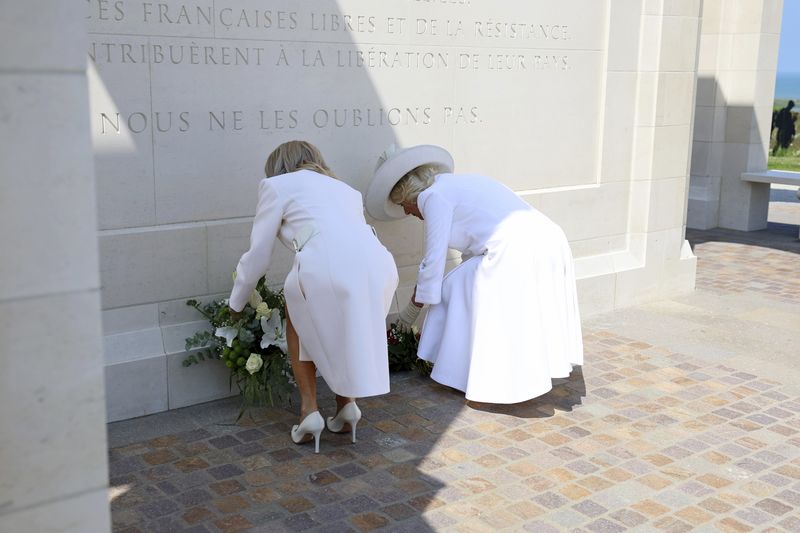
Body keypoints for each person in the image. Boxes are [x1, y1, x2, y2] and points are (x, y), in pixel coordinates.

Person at [366, 145, 583, 404]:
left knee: (450, 288)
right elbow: (476, 244)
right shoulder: (459, 184)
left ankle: (460, 371)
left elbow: (433, 262)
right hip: (550, 239)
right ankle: (487, 369)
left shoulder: (433, 197)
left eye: (404, 206)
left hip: (518, 248)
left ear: (411, 197)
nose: (407, 214)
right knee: (471, 289)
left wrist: (408, 314)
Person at [230, 141, 398, 452]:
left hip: (327, 265)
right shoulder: (345, 189)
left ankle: (309, 410)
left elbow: (258, 256)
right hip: (378, 266)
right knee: (323, 317)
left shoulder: (276, 185)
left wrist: (236, 302)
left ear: (278, 167)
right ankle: (346, 404)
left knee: (297, 313)